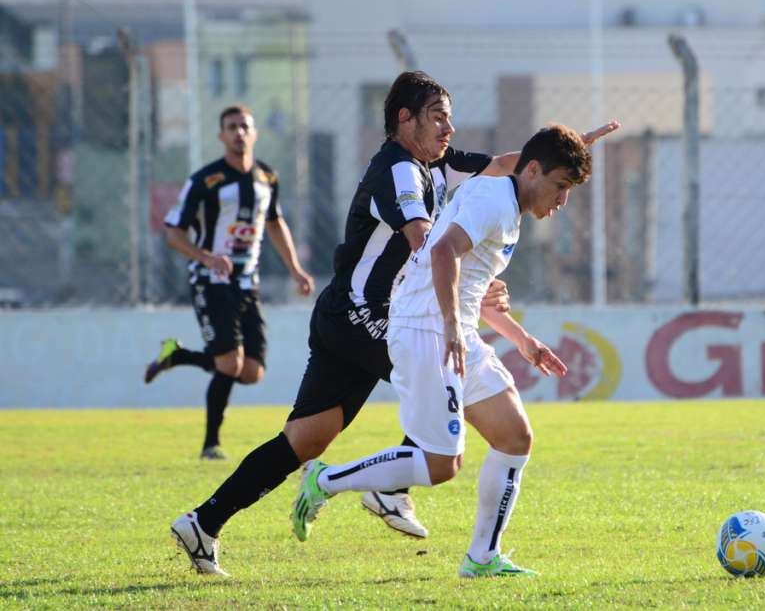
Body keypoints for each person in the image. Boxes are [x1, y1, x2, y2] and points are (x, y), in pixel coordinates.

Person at [168, 71, 618, 577]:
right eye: (437, 117)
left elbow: (506, 166)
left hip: (364, 314)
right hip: (369, 313)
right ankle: (389, 487)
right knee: (440, 419)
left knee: (306, 439)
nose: (449, 128)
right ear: (404, 120)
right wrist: (468, 288)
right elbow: (429, 243)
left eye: (450, 117)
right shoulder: (399, 170)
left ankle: (204, 522)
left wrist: (570, 148)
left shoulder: (437, 164)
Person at [291, 123, 594, 578]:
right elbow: (443, 254)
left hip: (452, 330)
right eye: (560, 186)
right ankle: (325, 480)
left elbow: (468, 285)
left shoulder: (506, 204)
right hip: (425, 330)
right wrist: (452, 325)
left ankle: (483, 558)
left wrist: (522, 341)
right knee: (440, 465)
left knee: (514, 437)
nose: (562, 200)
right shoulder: (493, 201)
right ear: (532, 170)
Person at [145, 105, 314, 460]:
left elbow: (274, 224)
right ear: (221, 136)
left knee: (252, 372)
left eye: (244, 126)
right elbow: (173, 232)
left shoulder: (267, 178)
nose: (239, 132)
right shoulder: (206, 181)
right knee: (229, 364)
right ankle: (210, 445)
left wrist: (296, 269)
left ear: (254, 134)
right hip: (210, 281)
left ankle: (177, 355)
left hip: (246, 283)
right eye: (231, 127)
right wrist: (206, 257)